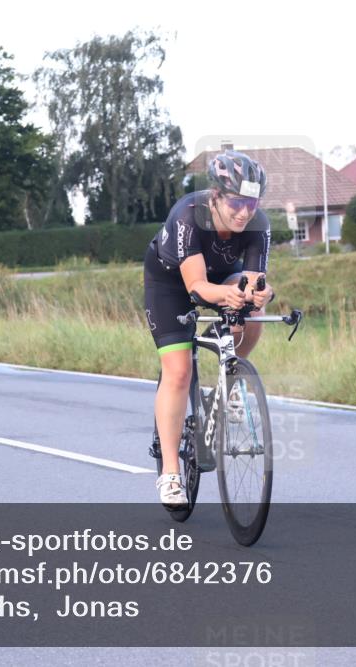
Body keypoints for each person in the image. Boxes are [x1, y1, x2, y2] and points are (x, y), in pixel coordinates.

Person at [143, 150, 274, 506]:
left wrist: (259, 294)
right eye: (237, 203)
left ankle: (230, 386)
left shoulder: (257, 224)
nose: (245, 212)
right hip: (172, 284)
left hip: (220, 277)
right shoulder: (188, 215)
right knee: (179, 370)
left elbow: (253, 281)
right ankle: (171, 473)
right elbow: (197, 287)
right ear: (215, 196)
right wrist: (230, 294)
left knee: (250, 310)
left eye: (252, 202)